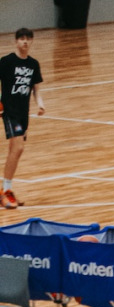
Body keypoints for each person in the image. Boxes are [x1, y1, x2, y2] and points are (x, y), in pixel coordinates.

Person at [0, 29, 43, 209]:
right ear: (16, 42)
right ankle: (6, 191)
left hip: (23, 113)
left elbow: (36, 89)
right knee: (18, 147)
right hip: (9, 111)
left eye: (28, 39)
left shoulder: (33, 64)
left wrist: (40, 104)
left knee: (15, 151)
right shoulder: (6, 61)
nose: (25, 42)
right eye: (22, 39)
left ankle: (5, 190)